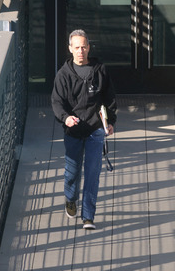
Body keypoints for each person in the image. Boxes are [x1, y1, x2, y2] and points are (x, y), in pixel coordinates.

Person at [51, 29, 117, 230]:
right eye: (76, 47)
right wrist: (66, 118)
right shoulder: (63, 75)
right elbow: (56, 102)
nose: (81, 51)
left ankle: (88, 216)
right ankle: (70, 198)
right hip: (73, 131)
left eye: (84, 47)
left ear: (89, 47)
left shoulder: (99, 70)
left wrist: (111, 121)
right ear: (70, 49)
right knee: (72, 172)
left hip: (96, 131)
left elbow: (109, 98)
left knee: (92, 173)